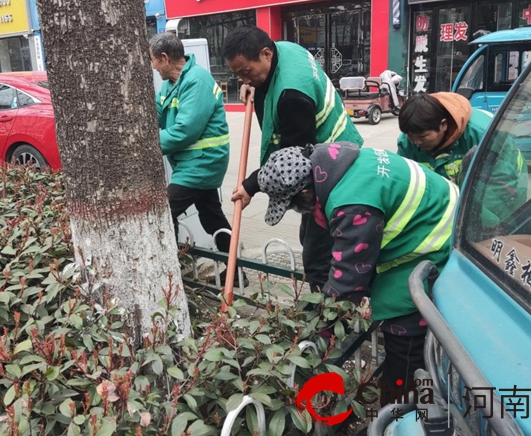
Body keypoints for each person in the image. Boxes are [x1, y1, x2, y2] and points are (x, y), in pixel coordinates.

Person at [257, 143, 458, 403]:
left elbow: (347, 282)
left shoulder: (352, 205)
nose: (299, 212)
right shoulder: (336, 162)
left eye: (295, 206)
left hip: (440, 247)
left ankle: (399, 417)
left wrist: (318, 335)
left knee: (403, 341)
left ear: (306, 192)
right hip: (440, 220)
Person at [222, 25, 364, 293]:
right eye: (238, 75)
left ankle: (327, 318)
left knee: (317, 252)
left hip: (332, 169)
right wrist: (250, 84)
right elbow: (264, 81)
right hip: (328, 155)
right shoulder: (283, 49)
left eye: (246, 72)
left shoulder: (292, 96)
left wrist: (251, 185)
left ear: (265, 53)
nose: (244, 79)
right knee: (311, 235)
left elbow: (290, 164)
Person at [150, 32, 248, 287]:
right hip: (192, 162)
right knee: (211, 216)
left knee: (165, 210)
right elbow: (158, 113)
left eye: (153, 60)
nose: (152, 66)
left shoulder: (197, 81)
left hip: (202, 163)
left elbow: (185, 131)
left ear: (164, 58)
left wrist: (147, 146)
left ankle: (169, 269)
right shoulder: (172, 83)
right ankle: (237, 272)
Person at [397, 92, 493, 184]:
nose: (417, 142)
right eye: (410, 136)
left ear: (443, 125)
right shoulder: (407, 142)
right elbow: (402, 178)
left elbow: (498, 181)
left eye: (423, 136)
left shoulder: (480, 135)